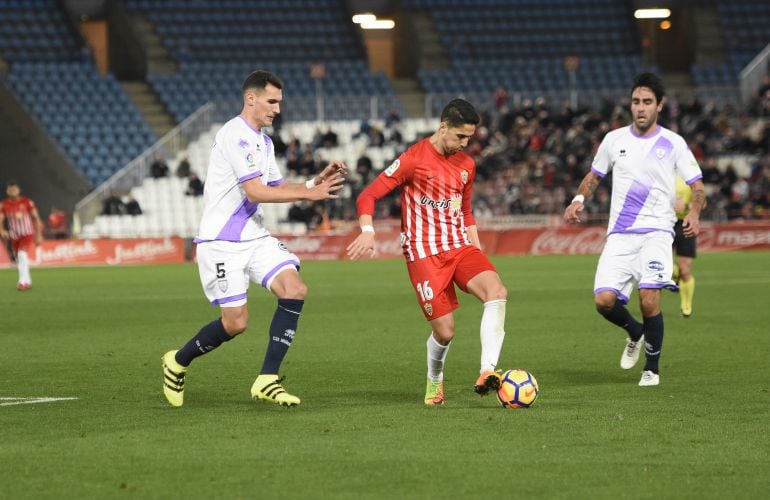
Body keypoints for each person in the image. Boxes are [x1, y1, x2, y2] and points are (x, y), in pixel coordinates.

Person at [162, 70, 346, 408]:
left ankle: (267, 379)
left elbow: (275, 187)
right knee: (236, 323)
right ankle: (177, 362)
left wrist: (312, 184)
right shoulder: (236, 135)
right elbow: (256, 191)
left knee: (295, 289)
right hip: (221, 242)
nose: (277, 109)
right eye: (272, 101)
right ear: (252, 98)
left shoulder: (264, 141)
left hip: (254, 235)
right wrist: (311, 195)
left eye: (279, 102)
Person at [346, 99, 508, 406]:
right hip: (423, 255)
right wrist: (368, 231)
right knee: (445, 332)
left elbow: (467, 210)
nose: (465, 144)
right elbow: (368, 195)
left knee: (497, 291)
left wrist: (476, 246)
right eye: (460, 136)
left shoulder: (467, 165)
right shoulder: (413, 159)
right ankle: (435, 380)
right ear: (443, 127)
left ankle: (487, 370)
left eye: (469, 138)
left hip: (459, 247)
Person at [563, 73, 706, 387]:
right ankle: (635, 332)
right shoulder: (615, 140)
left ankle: (651, 368)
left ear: (660, 106)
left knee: (649, 299)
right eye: (636, 102)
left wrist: (694, 212)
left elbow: (698, 187)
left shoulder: (674, 143)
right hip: (620, 234)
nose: (640, 108)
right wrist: (577, 199)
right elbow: (594, 175)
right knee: (603, 301)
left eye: (647, 102)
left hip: (657, 232)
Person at [0, 181, 44, 291]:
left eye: (14, 189)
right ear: (7, 191)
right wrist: (2, 230)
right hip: (14, 236)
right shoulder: (4, 204)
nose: (12, 192)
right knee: (20, 259)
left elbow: (36, 218)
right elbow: (0, 219)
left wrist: (38, 235)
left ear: (19, 190)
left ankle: (22, 282)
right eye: (10, 190)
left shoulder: (27, 202)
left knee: (21, 254)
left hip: (27, 234)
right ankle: (27, 281)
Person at [672, 176, 697, 317]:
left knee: (685, 270)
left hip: (686, 223)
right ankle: (673, 274)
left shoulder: (690, 176)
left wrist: (686, 207)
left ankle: (686, 306)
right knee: (665, 266)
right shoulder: (659, 171)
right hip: (664, 223)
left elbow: (702, 203)